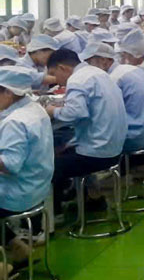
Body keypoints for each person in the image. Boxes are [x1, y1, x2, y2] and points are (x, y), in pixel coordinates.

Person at [44, 48, 127, 209]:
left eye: (55, 74)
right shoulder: (96, 73)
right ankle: (92, 198)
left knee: (49, 166)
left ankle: (51, 216)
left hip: (98, 152)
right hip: (114, 146)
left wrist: (52, 111)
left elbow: (76, 112)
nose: (56, 80)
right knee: (64, 149)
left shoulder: (77, 80)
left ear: (63, 68)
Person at [0, 65, 54, 276]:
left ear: (8, 92)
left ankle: (3, 271)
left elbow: (10, 164)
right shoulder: (34, 109)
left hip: (18, 192)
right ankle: (19, 250)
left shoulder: (15, 122)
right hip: (37, 186)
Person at [81, 42, 144, 154]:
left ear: (104, 60)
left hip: (130, 137)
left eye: (89, 63)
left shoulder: (112, 79)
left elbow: (100, 113)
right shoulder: (131, 69)